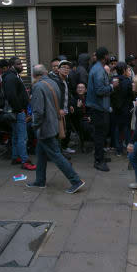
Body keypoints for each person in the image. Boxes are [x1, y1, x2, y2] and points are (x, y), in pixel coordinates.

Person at [26, 65, 85, 193]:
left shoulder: (37, 87)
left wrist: (34, 125)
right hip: (53, 124)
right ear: (45, 72)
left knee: (56, 155)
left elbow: (38, 111)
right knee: (41, 154)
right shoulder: (53, 82)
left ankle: (76, 180)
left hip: (44, 127)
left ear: (34, 75)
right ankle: (39, 181)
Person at [2, 57, 36, 171]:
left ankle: (16, 157)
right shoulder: (11, 77)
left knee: (16, 135)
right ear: (12, 65)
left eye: (21, 63)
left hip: (16, 111)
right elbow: (11, 95)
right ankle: (25, 161)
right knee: (23, 137)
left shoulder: (13, 76)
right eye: (18, 64)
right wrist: (20, 109)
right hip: (17, 112)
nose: (21, 66)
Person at [87, 47, 117, 171]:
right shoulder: (99, 70)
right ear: (105, 56)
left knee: (102, 134)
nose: (109, 57)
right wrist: (112, 86)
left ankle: (100, 157)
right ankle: (98, 161)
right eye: (108, 55)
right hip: (98, 108)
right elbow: (99, 90)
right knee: (100, 135)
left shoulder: (98, 68)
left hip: (100, 107)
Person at [111, 62, 134, 155]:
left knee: (117, 129)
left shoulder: (113, 80)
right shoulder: (128, 81)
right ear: (124, 70)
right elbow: (132, 95)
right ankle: (129, 151)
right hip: (126, 109)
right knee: (127, 129)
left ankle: (118, 150)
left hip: (115, 109)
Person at [56, 60, 76, 154]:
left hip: (66, 109)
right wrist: (59, 109)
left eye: (68, 68)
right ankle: (59, 151)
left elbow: (68, 94)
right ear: (58, 69)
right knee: (60, 131)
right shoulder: (56, 81)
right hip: (59, 111)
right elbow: (56, 97)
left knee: (67, 129)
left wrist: (70, 105)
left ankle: (63, 148)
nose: (66, 69)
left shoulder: (66, 80)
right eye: (63, 67)